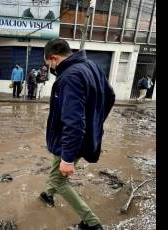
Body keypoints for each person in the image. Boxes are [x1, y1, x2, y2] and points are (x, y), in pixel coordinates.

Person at [40, 39, 115, 230]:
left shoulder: (69, 77)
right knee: (56, 168)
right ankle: (48, 194)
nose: (49, 68)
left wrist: (67, 158)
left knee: (59, 178)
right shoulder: (92, 66)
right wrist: (95, 122)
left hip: (72, 141)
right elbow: (110, 95)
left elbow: (73, 122)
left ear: (54, 59)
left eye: (48, 64)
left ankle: (92, 223)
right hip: (83, 137)